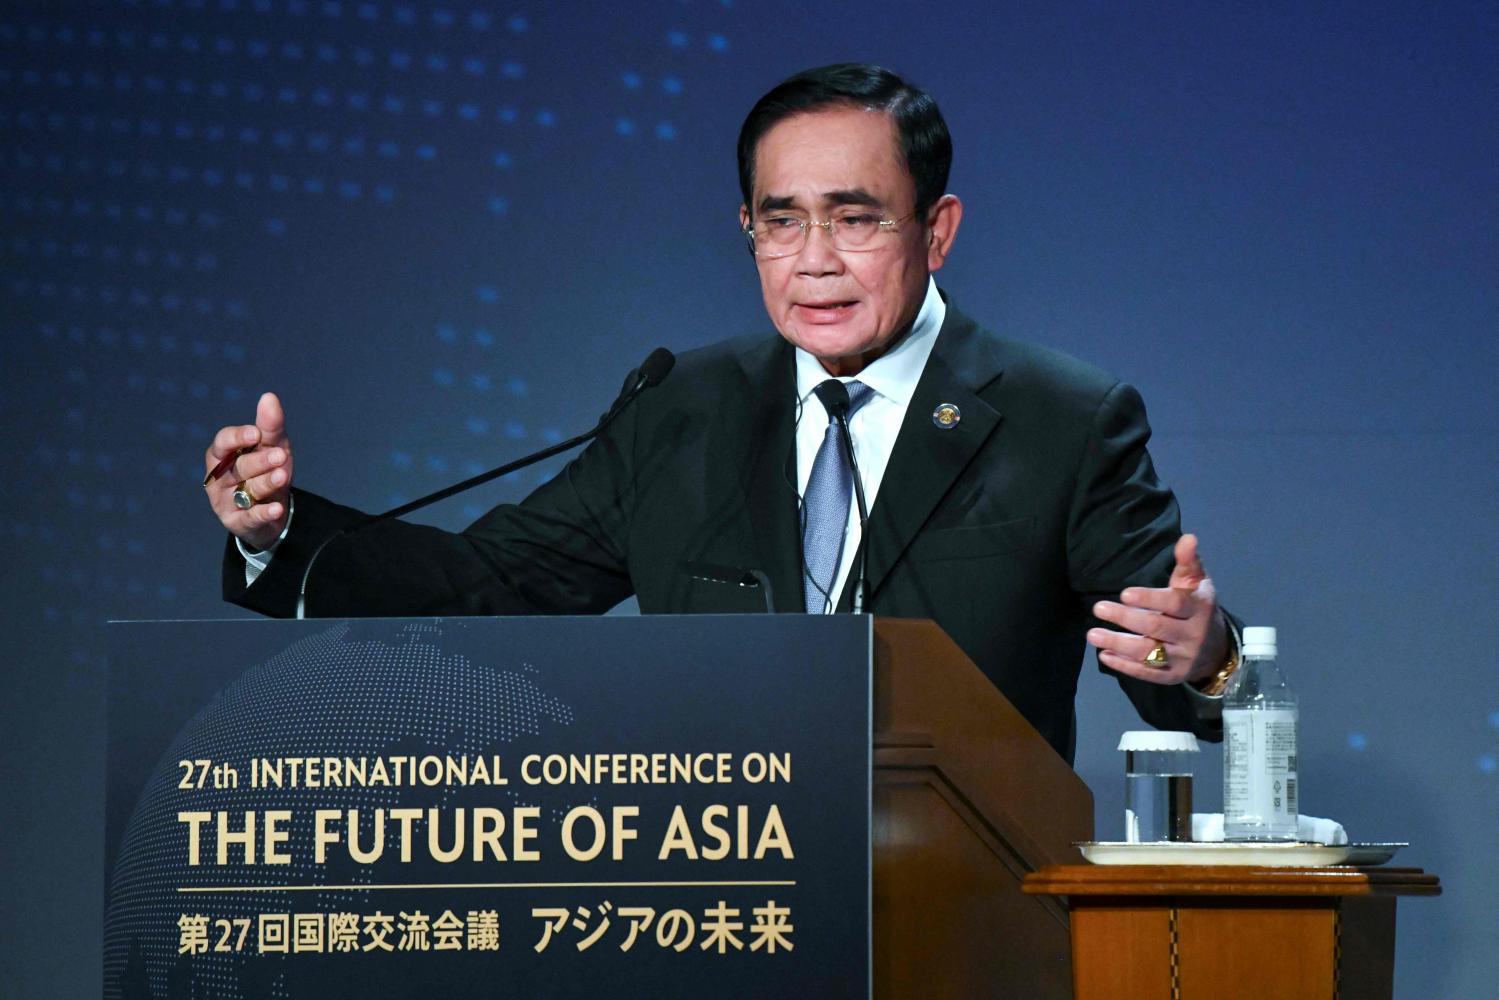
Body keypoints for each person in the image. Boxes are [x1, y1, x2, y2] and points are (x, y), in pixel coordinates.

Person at [204, 64, 1237, 764]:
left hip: (962, 914)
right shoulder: (681, 406)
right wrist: (281, 535)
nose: (813, 260)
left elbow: (1168, 659)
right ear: (746, 230)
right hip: (725, 910)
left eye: (854, 217)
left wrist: (1204, 660)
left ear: (937, 230)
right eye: (779, 222)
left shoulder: (1064, 416)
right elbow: (495, 585)